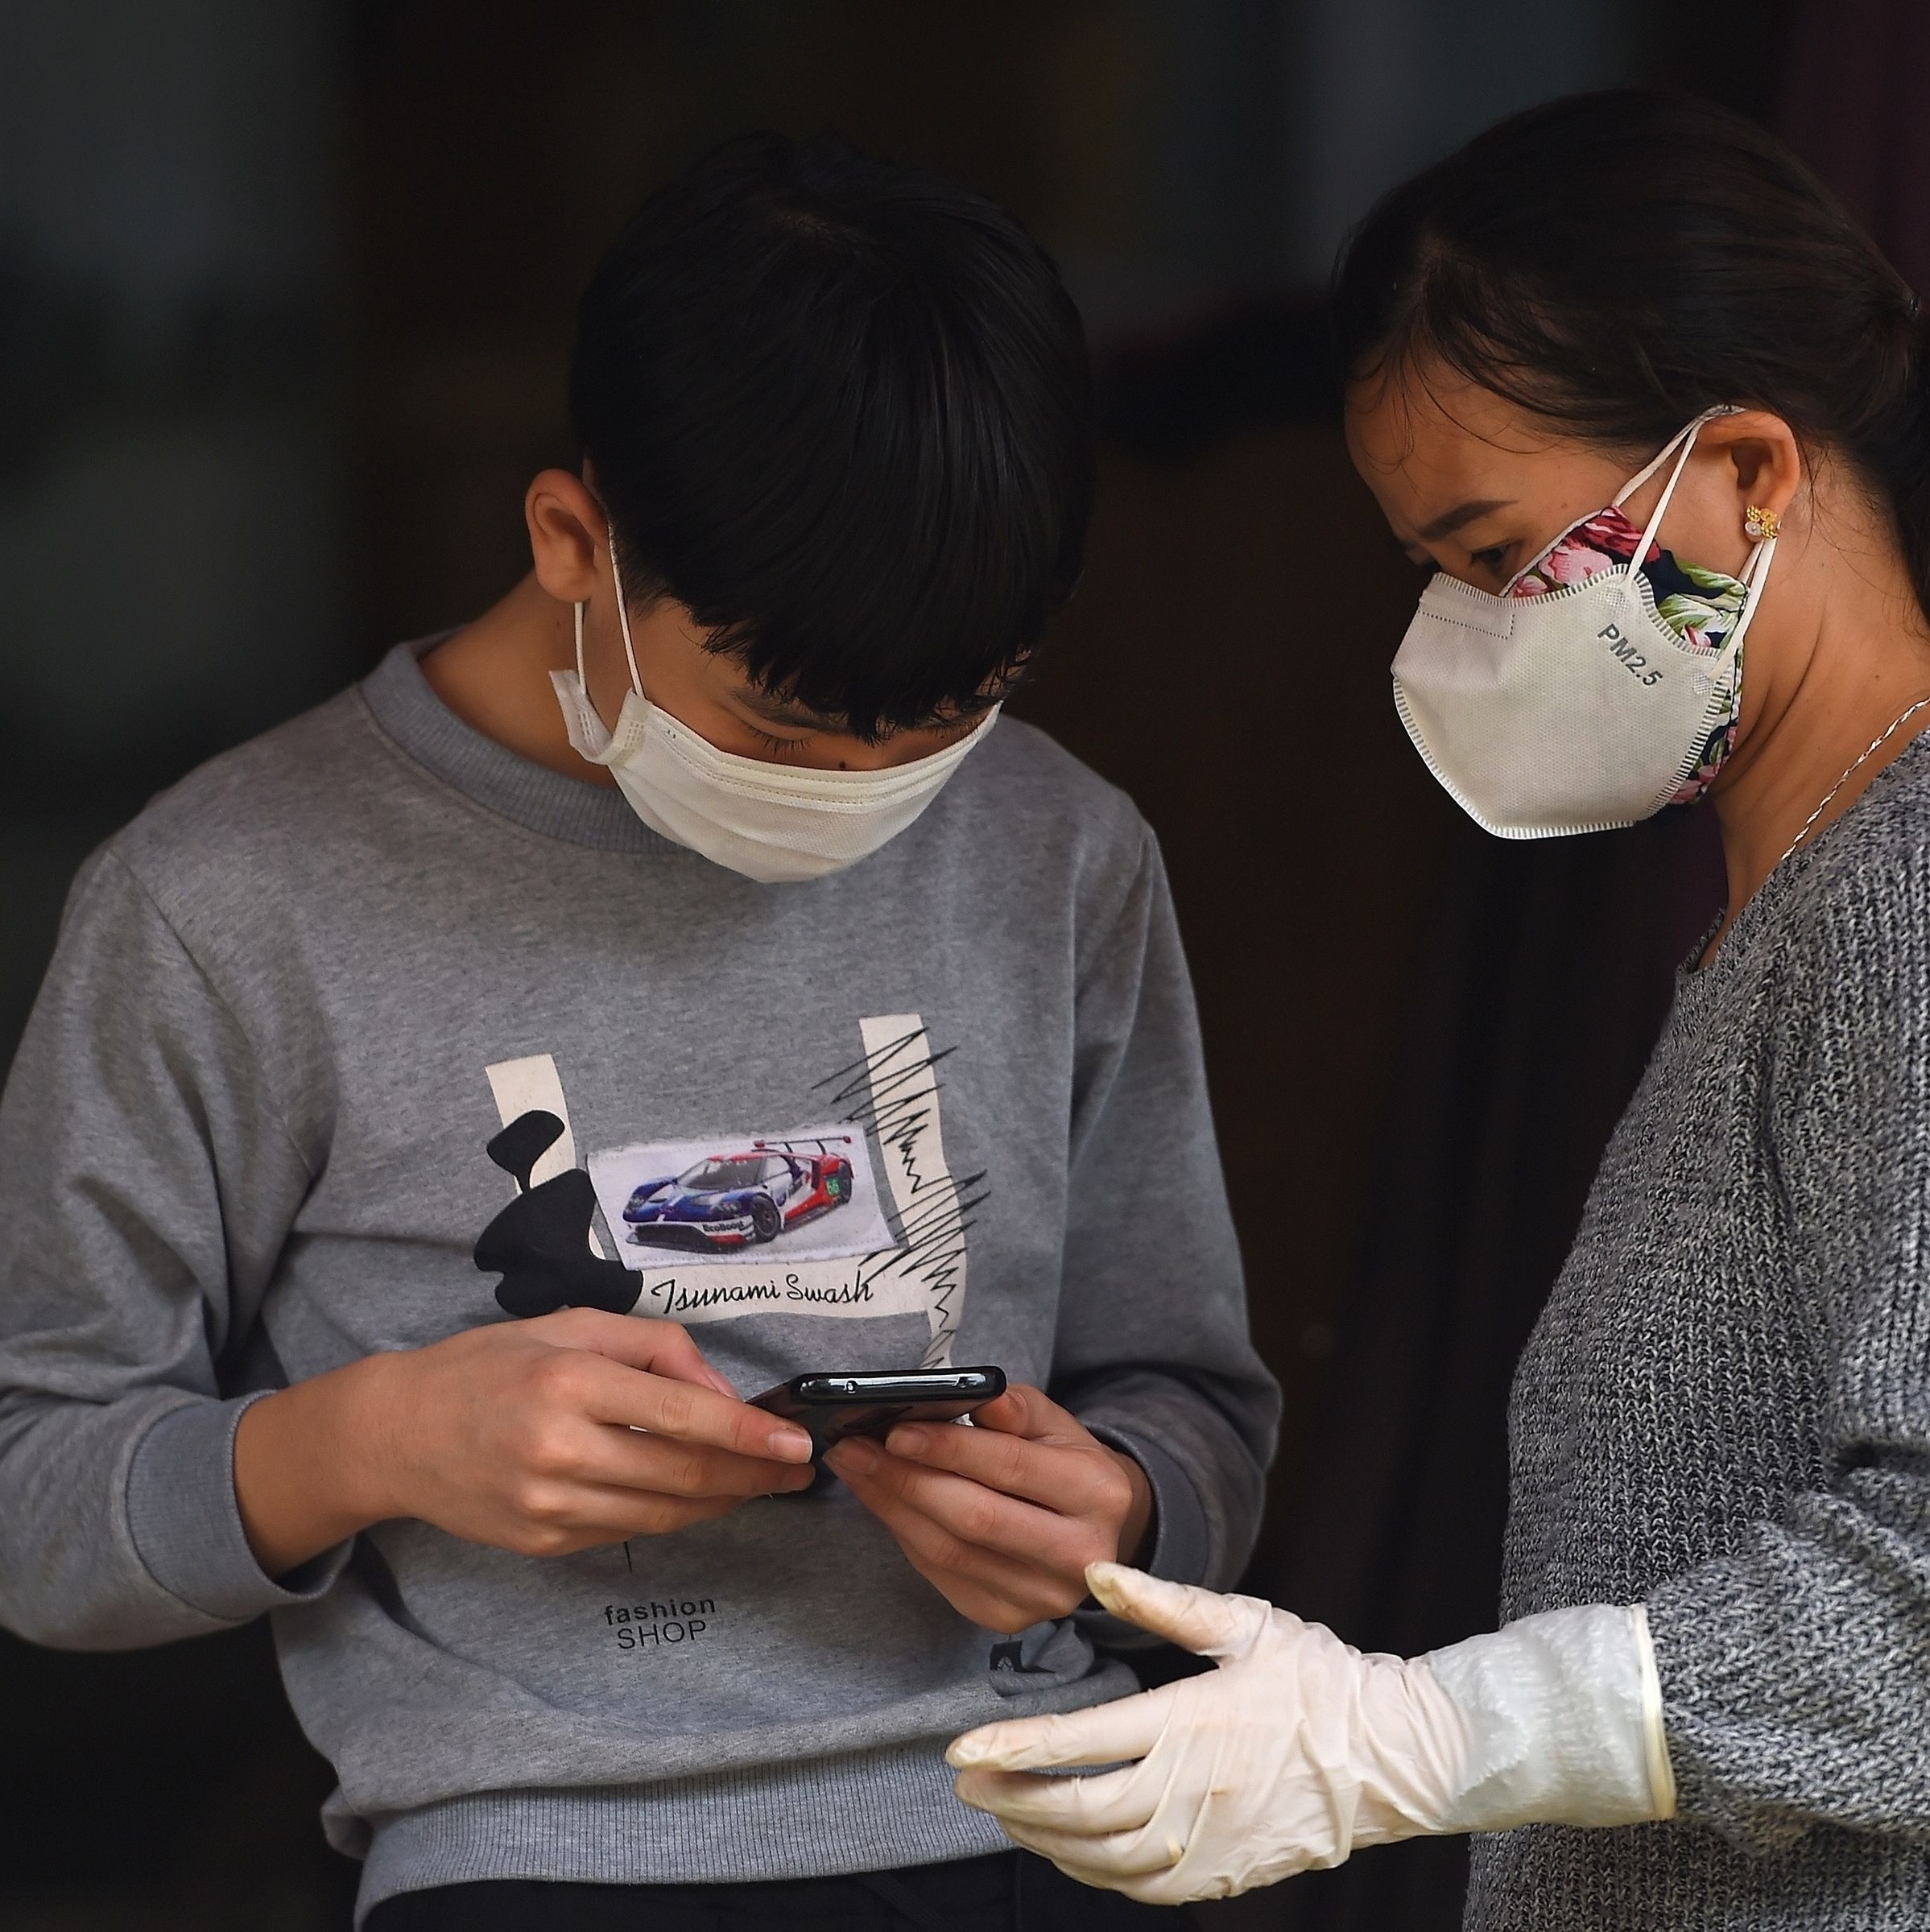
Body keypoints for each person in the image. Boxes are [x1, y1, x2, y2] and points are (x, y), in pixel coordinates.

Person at [0, 134, 1279, 1930]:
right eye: (772, 731)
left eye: (947, 724)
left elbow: (1198, 1404)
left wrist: (1124, 1517)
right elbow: (33, 1498)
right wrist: (365, 1444)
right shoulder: (226, 903)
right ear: (571, 541)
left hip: (1045, 1824)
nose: (865, 798)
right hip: (545, 1859)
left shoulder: (1059, 849)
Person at [947, 89, 1930, 1929]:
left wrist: (1416, 1733)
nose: (1462, 635)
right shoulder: (1780, 902)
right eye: (1425, 572)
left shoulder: (1904, 898)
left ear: (1745, 475)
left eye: (1493, 557)